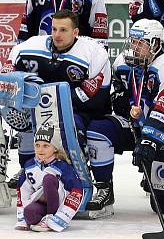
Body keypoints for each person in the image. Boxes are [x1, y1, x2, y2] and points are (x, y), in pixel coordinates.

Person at [84, 19, 164, 218]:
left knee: (163, 206)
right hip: (133, 127)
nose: (134, 47)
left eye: (141, 43)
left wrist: (149, 141)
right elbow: (117, 94)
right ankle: (105, 189)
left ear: (155, 44)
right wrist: (126, 104)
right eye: (133, 41)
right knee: (98, 130)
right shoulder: (122, 62)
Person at [4, 10, 111, 168]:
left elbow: (96, 99)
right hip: (38, 108)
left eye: (63, 30)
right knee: (27, 122)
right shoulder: (28, 47)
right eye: (54, 29)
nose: (57, 35)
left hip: (75, 111)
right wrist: (17, 97)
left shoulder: (94, 54)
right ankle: (28, 171)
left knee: (69, 129)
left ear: (75, 32)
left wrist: (55, 106)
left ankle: (71, 173)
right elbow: (7, 78)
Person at [14, 125, 83, 232]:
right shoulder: (29, 165)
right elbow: (23, 191)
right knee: (29, 213)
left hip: (59, 205)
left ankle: (51, 216)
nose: (40, 149)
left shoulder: (63, 166)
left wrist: (63, 216)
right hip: (40, 203)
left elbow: (77, 191)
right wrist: (22, 217)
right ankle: (43, 218)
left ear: (55, 148)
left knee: (49, 179)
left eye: (46, 146)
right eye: (37, 145)